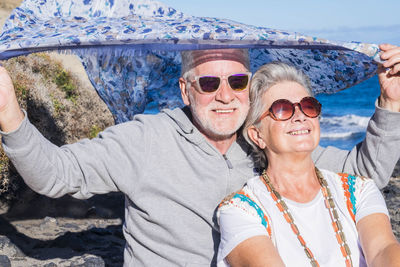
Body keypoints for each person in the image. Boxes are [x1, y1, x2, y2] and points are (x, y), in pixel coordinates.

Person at [0, 45, 399, 266]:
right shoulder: (144, 139)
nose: (225, 95)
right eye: (209, 83)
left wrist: (389, 102)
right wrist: (9, 114)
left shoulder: (266, 141)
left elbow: (362, 175)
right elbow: (55, 174)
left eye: (237, 81)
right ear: (186, 90)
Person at [217, 62, 400, 267]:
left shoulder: (359, 190)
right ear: (257, 135)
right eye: (282, 108)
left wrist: (391, 100)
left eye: (308, 106)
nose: (300, 116)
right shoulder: (240, 211)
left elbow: (383, 249)